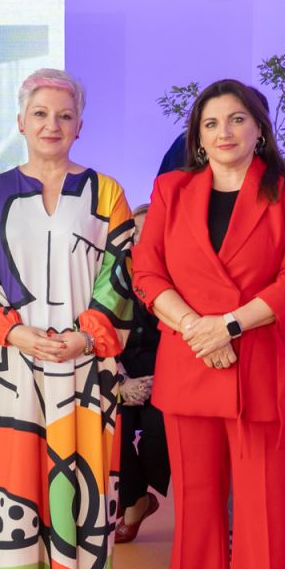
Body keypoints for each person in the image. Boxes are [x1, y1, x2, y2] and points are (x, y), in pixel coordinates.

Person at [133, 79, 285, 569]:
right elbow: (147, 272)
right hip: (190, 359)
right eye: (211, 123)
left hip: (261, 365)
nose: (224, 133)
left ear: (259, 128)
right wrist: (197, 329)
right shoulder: (171, 189)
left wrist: (229, 326)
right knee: (196, 504)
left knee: (266, 511)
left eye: (237, 119)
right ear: (197, 136)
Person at [0, 68, 134, 569]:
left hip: (87, 366)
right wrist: (14, 334)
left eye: (64, 115)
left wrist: (88, 335)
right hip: (14, 365)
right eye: (40, 114)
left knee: (81, 484)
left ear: (80, 124)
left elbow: (122, 272)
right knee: (16, 482)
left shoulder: (107, 193)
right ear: (20, 122)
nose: (52, 125)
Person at [116, 202, 169, 544]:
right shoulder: (112, 272)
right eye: (134, 232)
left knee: (160, 430)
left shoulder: (178, 272)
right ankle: (136, 498)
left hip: (165, 371)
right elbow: (100, 329)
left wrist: (158, 380)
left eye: (148, 232)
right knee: (109, 425)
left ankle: (141, 498)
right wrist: (122, 381)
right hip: (120, 370)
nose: (139, 239)